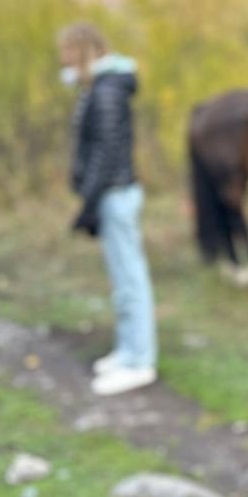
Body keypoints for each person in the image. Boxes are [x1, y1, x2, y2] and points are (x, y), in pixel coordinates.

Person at [58, 23, 158, 394]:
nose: (63, 60)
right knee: (121, 280)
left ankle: (139, 362)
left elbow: (108, 152)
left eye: (68, 51)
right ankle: (128, 351)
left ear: (83, 50)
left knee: (130, 280)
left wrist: (89, 202)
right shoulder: (100, 86)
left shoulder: (106, 91)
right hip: (109, 193)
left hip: (113, 195)